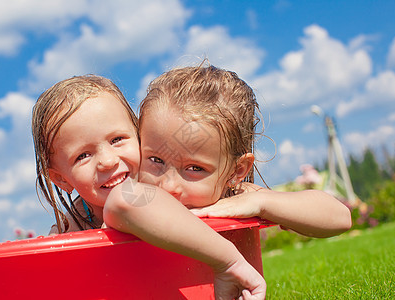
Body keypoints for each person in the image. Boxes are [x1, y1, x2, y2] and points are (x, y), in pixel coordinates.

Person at [32, 75, 266, 300]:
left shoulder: (167, 188)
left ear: (139, 137)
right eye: (82, 156)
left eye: (117, 140)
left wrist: (259, 207)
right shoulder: (75, 224)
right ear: (61, 179)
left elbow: (125, 200)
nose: (108, 161)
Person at [138, 65, 352, 238]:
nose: (168, 186)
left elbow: (340, 217)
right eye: (156, 160)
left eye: (194, 168)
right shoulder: (132, 199)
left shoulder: (237, 197)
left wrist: (261, 203)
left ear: (237, 171)